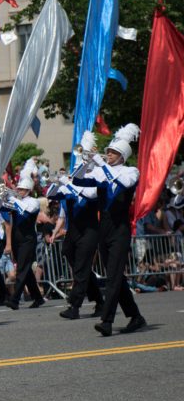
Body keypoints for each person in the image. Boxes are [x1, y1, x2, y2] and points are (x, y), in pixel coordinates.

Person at [73, 123, 146, 336]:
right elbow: (78, 180)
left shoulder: (131, 171)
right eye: (108, 152)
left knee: (114, 276)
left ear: (122, 155)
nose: (109, 155)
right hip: (103, 228)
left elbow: (122, 183)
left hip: (120, 229)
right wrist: (85, 162)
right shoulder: (103, 172)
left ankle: (107, 320)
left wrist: (100, 165)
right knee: (116, 276)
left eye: (113, 152)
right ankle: (135, 316)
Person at [53, 131, 104, 320]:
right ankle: (99, 301)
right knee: (71, 257)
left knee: (82, 267)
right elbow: (52, 194)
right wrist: (59, 182)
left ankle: (74, 306)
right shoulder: (76, 176)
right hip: (74, 230)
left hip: (90, 230)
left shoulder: (97, 178)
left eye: (86, 154)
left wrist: (71, 181)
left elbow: (90, 194)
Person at [4, 157, 45, 309]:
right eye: (18, 189)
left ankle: (14, 300)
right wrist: (3, 196)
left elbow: (25, 210)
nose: (19, 191)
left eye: (22, 189)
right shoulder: (16, 200)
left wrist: (13, 198)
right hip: (16, 239)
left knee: (22, 269)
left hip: (28, 239)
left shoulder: (32, 202)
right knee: (25, 270)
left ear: (28, 190)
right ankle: (38, 298)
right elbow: (1, 208)